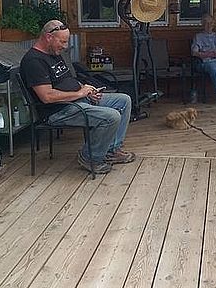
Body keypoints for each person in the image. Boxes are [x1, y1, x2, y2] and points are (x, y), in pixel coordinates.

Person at [19, 20, 135, 174]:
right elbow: (47, 96)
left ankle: (111, 151)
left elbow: (69, 81)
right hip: (59, 111)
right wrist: (80, 93)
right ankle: (90, 157)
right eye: (62, 41)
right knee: (111, 116)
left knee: (124, 101)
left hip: (76, 100)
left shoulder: (54, 53)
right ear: (48, 37)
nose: (65, 46)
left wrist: (87, 90)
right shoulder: (34, 61)